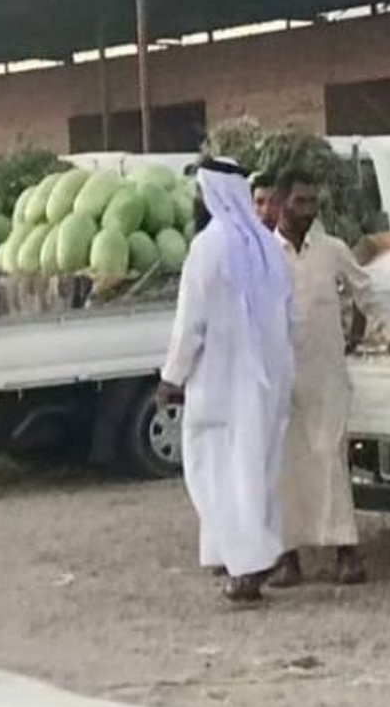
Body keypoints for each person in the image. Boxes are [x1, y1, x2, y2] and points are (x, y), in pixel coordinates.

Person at [159, 158, 295, 603]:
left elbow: (190, 322)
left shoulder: (208, 246)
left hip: (222, 384)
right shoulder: (268, 245)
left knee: (219, 472)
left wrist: (171, 376)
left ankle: (247, 566)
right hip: (268, 381)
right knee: (255, 471)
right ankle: (238, 553)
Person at [266, 168, 373, 588]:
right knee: (286, 467)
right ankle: (287, 559)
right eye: (299, 202)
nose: (308, 211)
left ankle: (347, 552)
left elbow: (365, 291)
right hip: (279, 378)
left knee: (329, 457)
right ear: (279, 203)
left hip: (326, 373)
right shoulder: (264, 255)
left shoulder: (331, 249)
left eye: (313, 203)